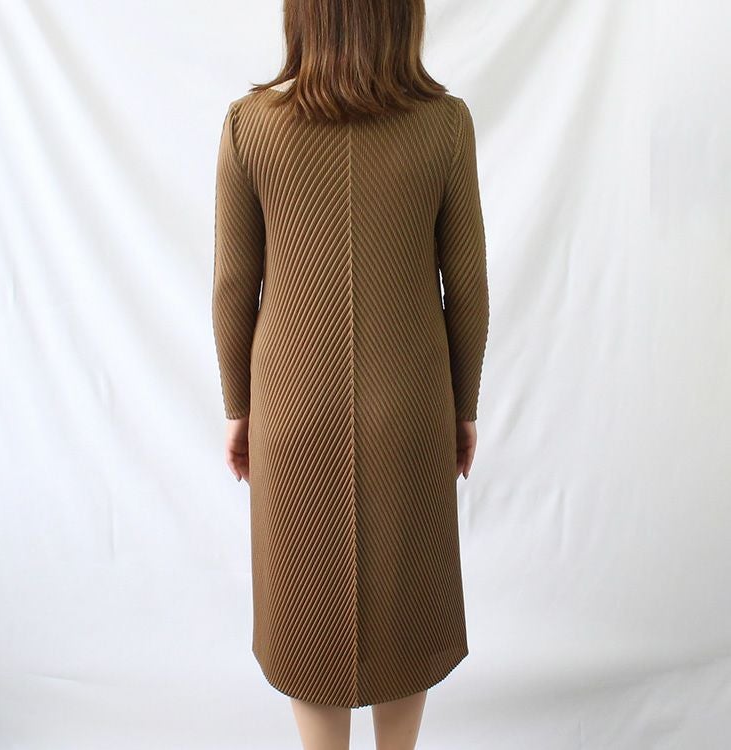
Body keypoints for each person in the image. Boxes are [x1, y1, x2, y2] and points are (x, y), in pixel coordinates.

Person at [211, 0, 489, 747]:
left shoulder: (250, 126)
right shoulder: (444, 125)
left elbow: (235, 285)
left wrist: (239, 407)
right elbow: (466, 286)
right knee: (407, 604)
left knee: (307, 610)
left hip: (291, 405)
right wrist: (462, 407)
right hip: (411, 402)